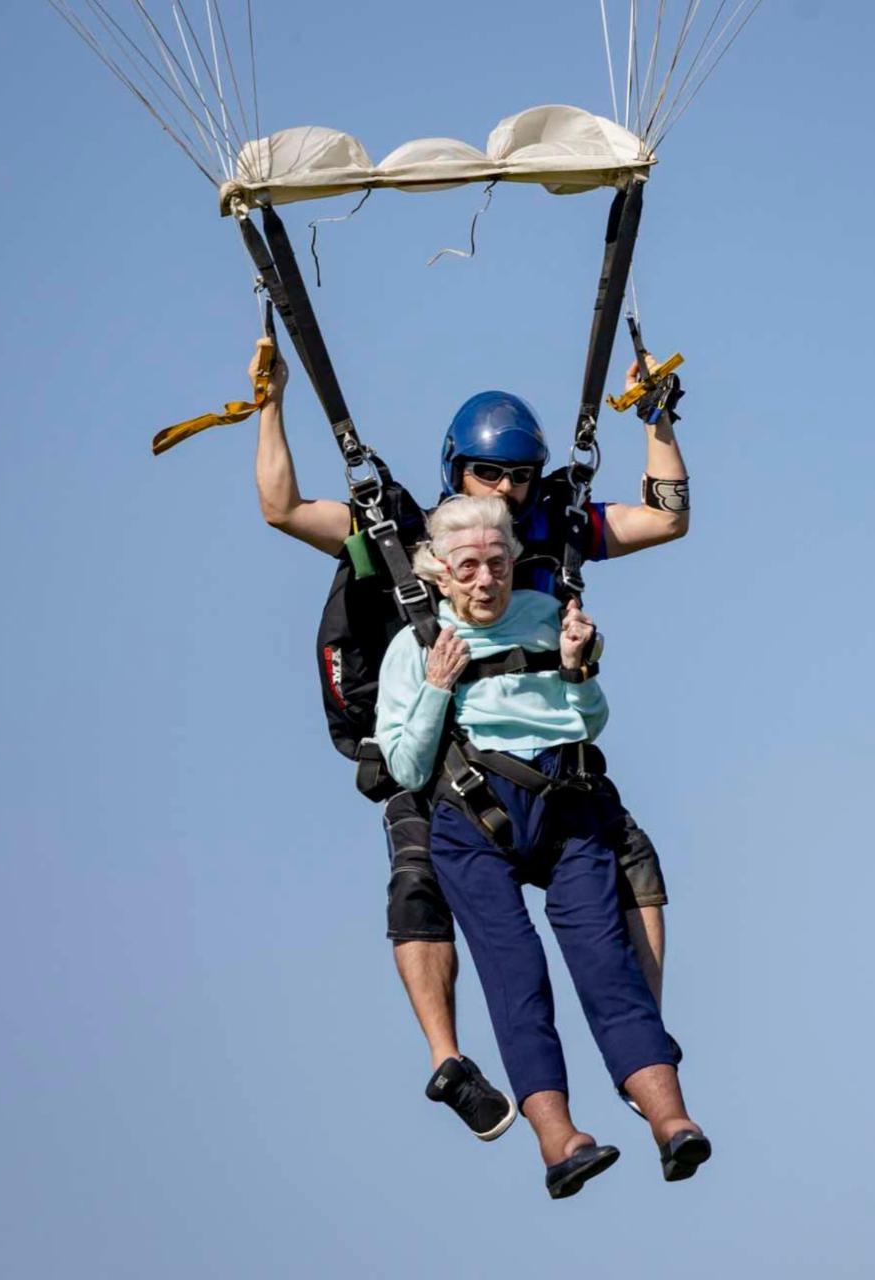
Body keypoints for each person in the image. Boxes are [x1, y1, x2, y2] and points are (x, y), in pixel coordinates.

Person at [252, 341, 690, 1139]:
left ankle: (639, 1042)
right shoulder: (409, 535)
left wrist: (658, 422)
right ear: (458, 470)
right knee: (418, 881)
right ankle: (448, 1060)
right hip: (435, 749)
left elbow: (664, 517)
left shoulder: (551, 531)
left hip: (543, 751)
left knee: (633, 858)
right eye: (490, 474)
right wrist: (271, 408)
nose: (508, 490)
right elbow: (284, 510)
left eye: (520, 475)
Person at [375, 494, 710, 1197]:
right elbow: (405, 770)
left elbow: (588, 720)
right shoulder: (413, 647)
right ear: (439, 572)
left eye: (497, 564)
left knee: (607, 966)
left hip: (564, 810)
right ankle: (560, 1143)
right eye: (468, 567)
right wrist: (437, 687)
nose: (485, 580)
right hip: (473, 824)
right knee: (516, 974)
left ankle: (672, 1122)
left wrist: (577, 669)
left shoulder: (546, 618)